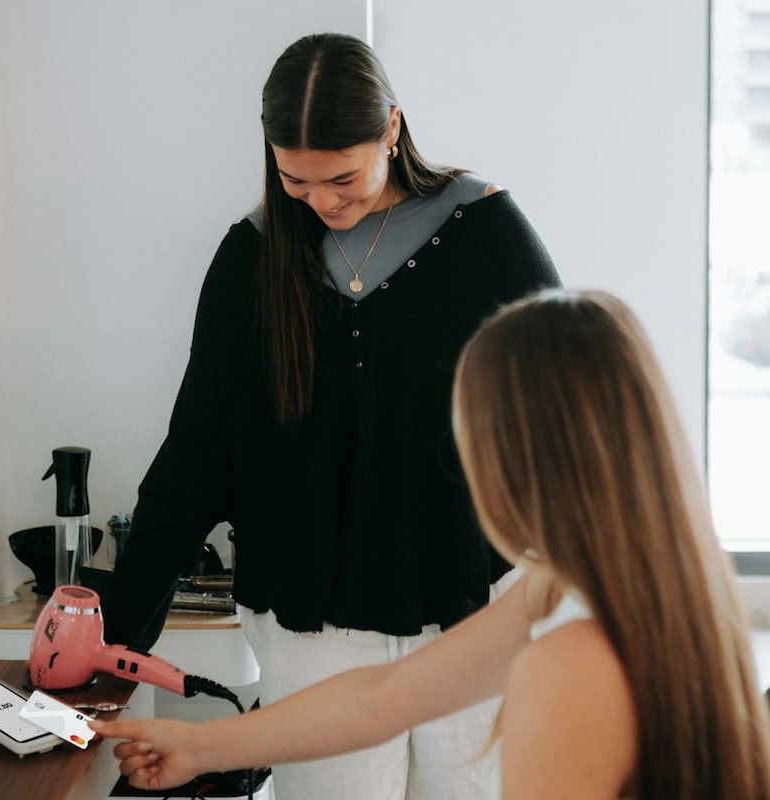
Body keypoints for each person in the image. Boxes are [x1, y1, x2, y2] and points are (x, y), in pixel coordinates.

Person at [101, 32, 560, 799]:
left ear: (392, 128)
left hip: (468, 615)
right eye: (296, 181)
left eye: (342, 177)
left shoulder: (487, 238)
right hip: (310, 633)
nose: (322, 201)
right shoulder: (250, 261)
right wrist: (115, 639)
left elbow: (565, 418)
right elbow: (193, 461)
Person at [93, 289, 770, 800]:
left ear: (519, 459)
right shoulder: (620, 589)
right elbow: (383, 697)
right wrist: (199, 745)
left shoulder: (572, 665)